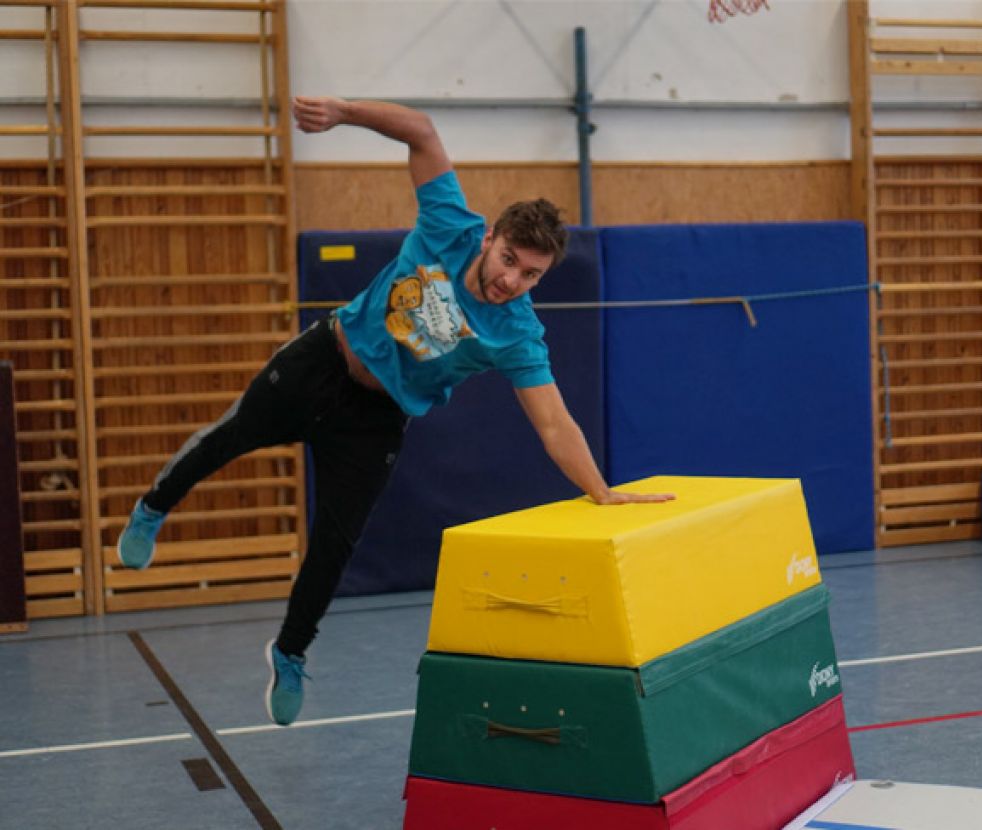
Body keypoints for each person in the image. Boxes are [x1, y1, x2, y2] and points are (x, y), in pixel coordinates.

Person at [116, 96, 674, 727]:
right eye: (509, 261)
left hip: (377, 419)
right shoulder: (448, 225)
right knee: (230, 437)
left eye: (530, 275)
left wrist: (599, 491)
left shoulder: (516, 332)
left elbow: (554, 422)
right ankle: (154, 507)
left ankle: (290, 651)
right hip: (324, 359)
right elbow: (422, 131)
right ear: (490, 237)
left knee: (335, 542)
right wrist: (342, 112)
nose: (511, 280)